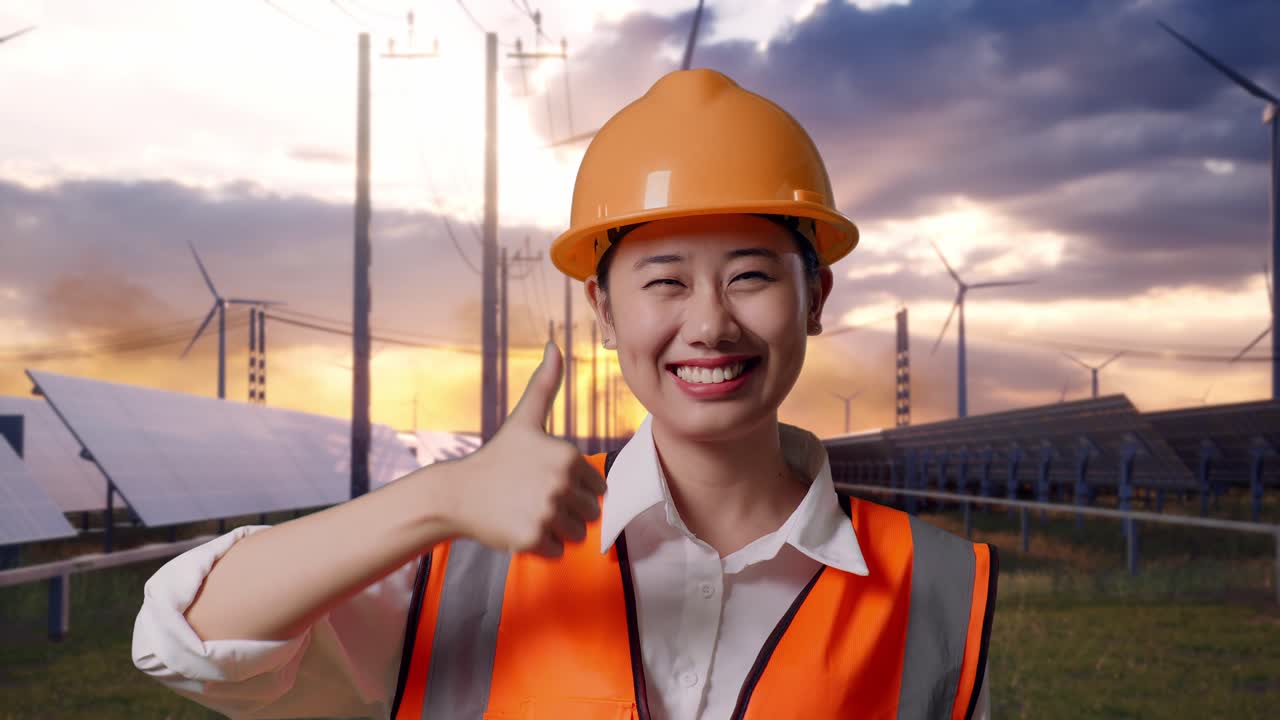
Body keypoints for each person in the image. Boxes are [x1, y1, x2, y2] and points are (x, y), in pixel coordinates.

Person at [133, 68, 996, 720]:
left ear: (815, 298)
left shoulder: (941, 585)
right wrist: (439, 498)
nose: (710, 325)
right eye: (664, 282)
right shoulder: (470, 555)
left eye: (749, 277)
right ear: (603, 310)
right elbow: (184, 639)